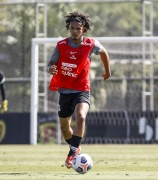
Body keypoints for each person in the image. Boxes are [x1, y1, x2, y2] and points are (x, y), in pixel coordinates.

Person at [47, 11, 111, 169]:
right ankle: (75, 147)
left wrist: (107, 71)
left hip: (82, 89)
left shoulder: (91, 44)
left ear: (84, 29)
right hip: (65, 90)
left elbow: (103, 53)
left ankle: (72, 153)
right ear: (69, 28)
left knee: (81, 117)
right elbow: (52, 62)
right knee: (64, 127)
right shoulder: (61, 45)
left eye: (78, 28)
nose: (75, 31)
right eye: (72, 28)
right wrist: (51, 69)